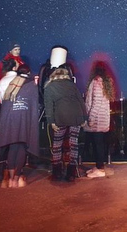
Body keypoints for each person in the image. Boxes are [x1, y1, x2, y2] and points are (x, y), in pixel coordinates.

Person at [43, 46, 87, 183]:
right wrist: (84, 118)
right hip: (76, 116)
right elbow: (81, 101)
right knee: (73, 144)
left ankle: (57, 172)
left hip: (60, 117)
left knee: (57, 144)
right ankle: (71, 173)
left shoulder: (49, 87)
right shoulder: (72, 85)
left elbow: (48, 106)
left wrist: (51, 121)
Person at [0, 58, 40, 188]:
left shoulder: (4, 82)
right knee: (21, 146)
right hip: (23, 116)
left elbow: (2, 100)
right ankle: (16, 177)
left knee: (12, 145)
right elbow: (33, 101)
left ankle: (10, 178)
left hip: (9, 117)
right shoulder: (28, 82)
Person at [84, 61, 115, 178]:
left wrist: (91, 118)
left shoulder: (97, 82)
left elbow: (96, 103)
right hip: (102, 119)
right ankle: (98, 166)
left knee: (98, 145)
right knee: (99, 144)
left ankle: (100, 169)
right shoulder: (105, 82)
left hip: (97, 120)